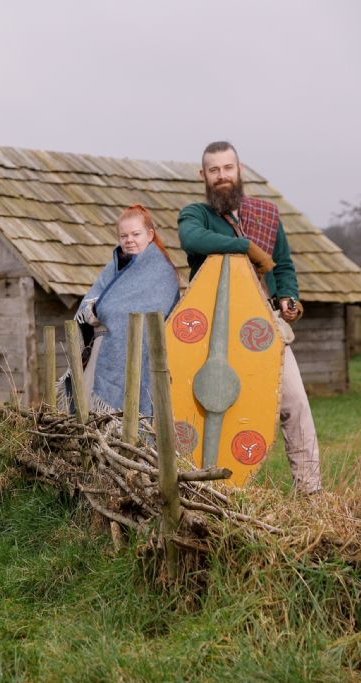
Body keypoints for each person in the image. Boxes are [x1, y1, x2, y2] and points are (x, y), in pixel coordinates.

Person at [178, 140, 321, 494]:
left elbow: (283, 264)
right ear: (204, 175)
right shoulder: (196, 214)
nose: (222, 176)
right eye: (214, 170)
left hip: (262, 327)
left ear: (239, 170)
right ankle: (207, 488)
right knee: (207, 403)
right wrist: (246, 247)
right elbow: (192, 239)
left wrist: (288, 297)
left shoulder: (267, 215)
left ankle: (311, 490)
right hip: (214, 330)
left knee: (295, 404)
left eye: (227, 168)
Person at [71, 205, 180, 415]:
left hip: (144, 352)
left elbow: (142, 311)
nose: (129, 240)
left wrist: (102, 310)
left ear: (150, 235)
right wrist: (100, 309)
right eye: (123, 236)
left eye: (135, 234)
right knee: (91, 414)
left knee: (133, 415)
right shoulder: (113, 266)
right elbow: (89, 304)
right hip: (103, 349)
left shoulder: (162, 272)